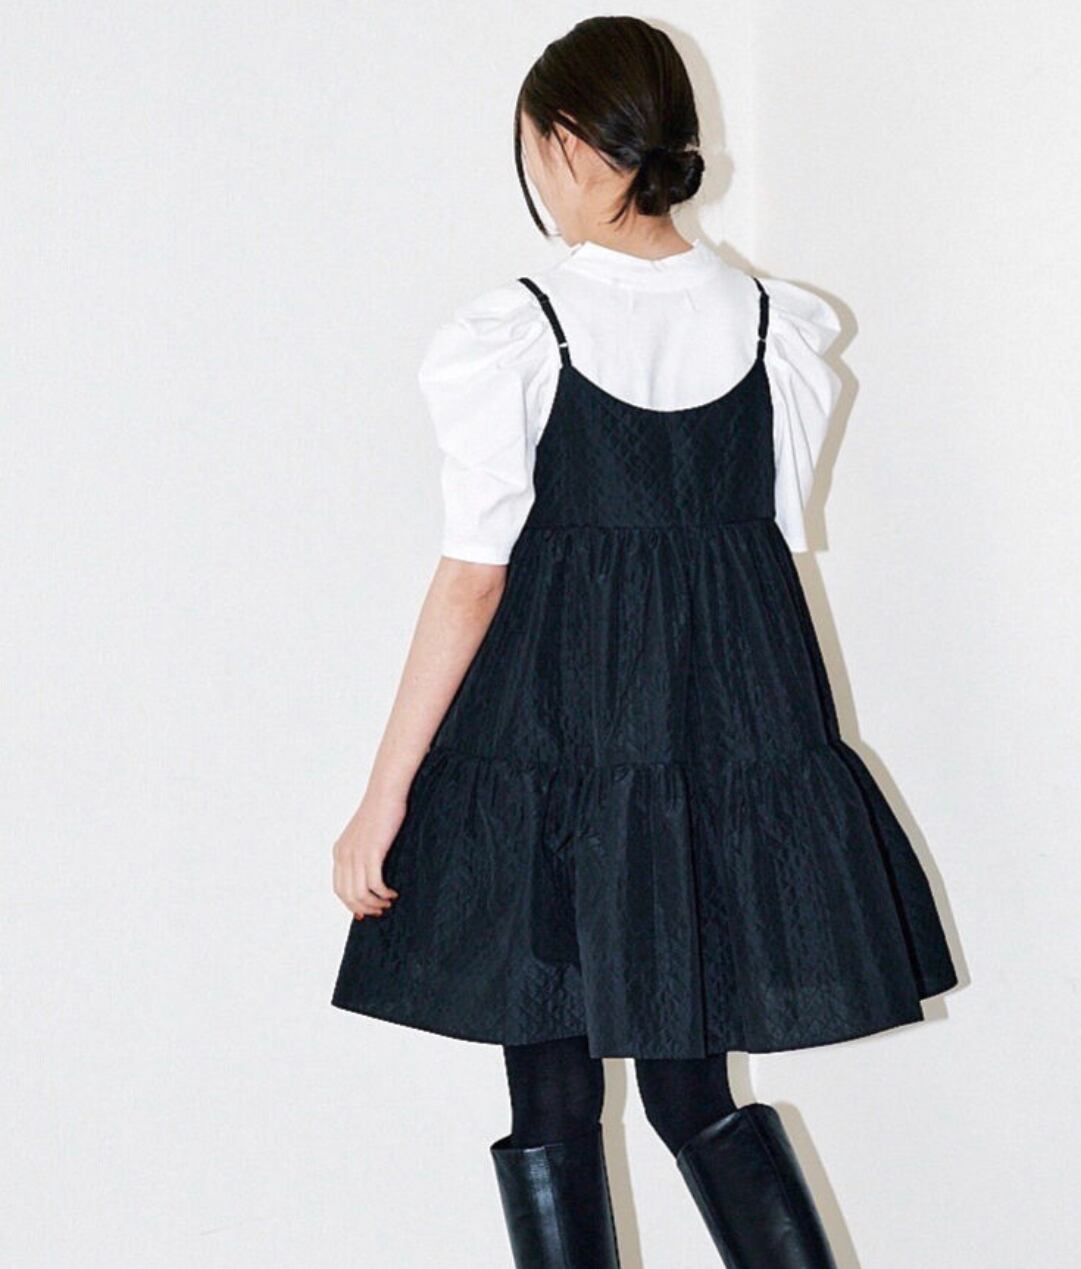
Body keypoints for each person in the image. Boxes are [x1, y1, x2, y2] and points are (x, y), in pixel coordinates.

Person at [329, 16, 957, 1268]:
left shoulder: (521, 326)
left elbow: (473, 580)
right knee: (693, 1095)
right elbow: (768, 534)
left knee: (551, 1102)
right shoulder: (778, 326)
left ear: (570, 143)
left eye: (533, 147)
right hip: (707, 756)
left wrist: (383, 793)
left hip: (550, 749)